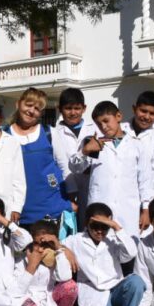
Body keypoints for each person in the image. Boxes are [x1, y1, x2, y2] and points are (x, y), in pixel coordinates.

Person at [62, 203, 146, 306]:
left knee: (136, 282)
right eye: (95, 226)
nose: (100, 231)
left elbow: (132, 252)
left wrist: (116, 227)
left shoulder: (113, 240)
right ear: (86, 222)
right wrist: (65, 249)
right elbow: (56, 245)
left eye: (104, 226)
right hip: (93, 293)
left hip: (115, 290)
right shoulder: (76, 240)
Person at [70, 101, 153, 238]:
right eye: (99, 124)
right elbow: (75, 168)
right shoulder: (93, 144)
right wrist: (85, 151)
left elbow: (144, 180)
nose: (103, 126)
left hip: (127, 208)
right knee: (100, 248)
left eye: (106, 121)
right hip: (100, 206)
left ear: (118, 116)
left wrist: (145, 209)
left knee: (128, 248)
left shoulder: (136, 145)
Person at [4, 88, 72, 227]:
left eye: (37, 108)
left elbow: (64, 166)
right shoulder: (5, 136)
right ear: (18, 104)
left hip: (53, 210)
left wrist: (71, 200)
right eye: (28, 105)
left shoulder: (49, 133)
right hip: (20, 212)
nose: (31, 111)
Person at [20, 220, 82, 306]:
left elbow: (65, 277)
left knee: (70, 286)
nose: (40, 249)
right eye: (36, 243)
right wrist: (32, 263)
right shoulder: (23, 257)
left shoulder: (55, 256)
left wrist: (58, 248)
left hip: (48, 300)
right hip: (28, 304)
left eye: (45, 245)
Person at [52, 88, 95, 226]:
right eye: (68, 108)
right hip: (66, 190)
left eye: (77, 108)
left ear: (84, 108)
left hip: (92, 187)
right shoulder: (54, 133)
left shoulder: (95, 129)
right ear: (60, 109)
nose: (73, 113)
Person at [123, 91, 154, 200]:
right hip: (123, 192)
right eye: (143, 111)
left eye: (152, 114)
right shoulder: (121, 129)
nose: (147, 117)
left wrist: (152, 198)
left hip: (148, 195)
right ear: (134, 109)